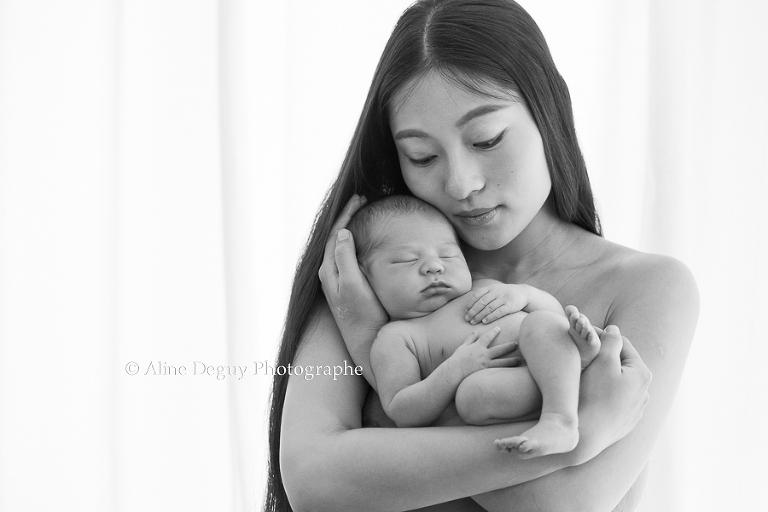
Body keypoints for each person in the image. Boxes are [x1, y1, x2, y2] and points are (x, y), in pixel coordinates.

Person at [267, 1, 698, 511]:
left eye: (487, 138)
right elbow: (313, 479)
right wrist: (585, 435)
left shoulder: (648, 287)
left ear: (549, 110)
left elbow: (554, 503)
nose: (461, 183)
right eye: (421, 156)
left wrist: (390, 401)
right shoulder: (377, 275)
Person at [348, 194, 602, 458]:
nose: (434, 267)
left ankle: (561, 412)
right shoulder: (397, 337)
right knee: (472, 398)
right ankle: (568, 384)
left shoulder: (481, 287)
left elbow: (553, 316)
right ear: (364, 278)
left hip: (546, 351)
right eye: (407, 260)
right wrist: (456, 369)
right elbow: (401, 410)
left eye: (448, 255)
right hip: (513, 384)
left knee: (541, 322)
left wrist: (525, 294)